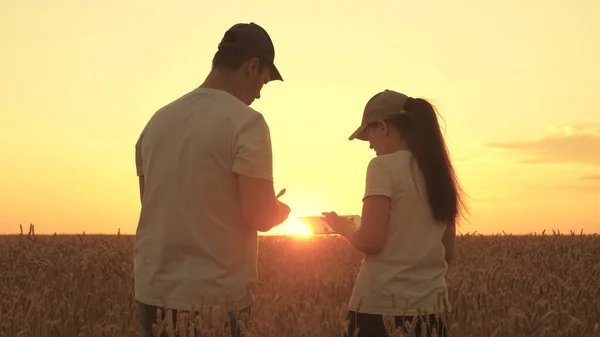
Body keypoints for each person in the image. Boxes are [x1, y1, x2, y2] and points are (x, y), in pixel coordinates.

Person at [133, 22, 291, 337]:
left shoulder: (157, 122)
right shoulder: (247, 124)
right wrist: (279, 209)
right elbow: (259, 215)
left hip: (153, 295)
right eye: (263, 81)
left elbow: (150, 202)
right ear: (253, 66)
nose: (260, 93)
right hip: (217, 300)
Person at [321, 90, 465, 337]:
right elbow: (447, 253)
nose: (369, 144)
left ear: (383, 126)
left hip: (379, 309)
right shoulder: (439, 173)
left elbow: (371, 241)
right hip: (432, 310)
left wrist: (342, 227)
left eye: (369, 134)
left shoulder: (382, 167)